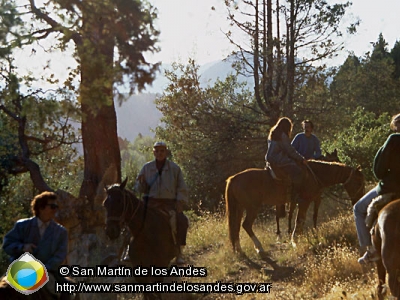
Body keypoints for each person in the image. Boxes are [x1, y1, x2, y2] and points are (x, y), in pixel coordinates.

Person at [2, 191, 69, 298]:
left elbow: (60, 255)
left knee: (68, 292)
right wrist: (22, 247)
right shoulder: (22, 226)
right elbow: (7, 245)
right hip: (20, 270)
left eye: (56, 206)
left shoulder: (61, 232)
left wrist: (41, 269)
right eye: (52, 206)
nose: (55, 209)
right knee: (4, 291)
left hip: (48, 272)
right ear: (41, 208)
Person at [354, 113, 400, 264]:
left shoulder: (393, 140)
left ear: (395, 126)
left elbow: (378, 171)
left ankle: (371, 250)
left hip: (391, 187)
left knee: (359, 208)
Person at [135, 141, 189, 264]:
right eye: (157, 151)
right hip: (150, 203)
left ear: (166, 152)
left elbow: (182, 187)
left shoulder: (175, 169)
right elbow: (138, 188)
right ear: (153, 152)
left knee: (181, 221)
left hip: (168, 203)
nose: (159, 153)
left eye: (162, 151)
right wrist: (141, 183)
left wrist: (180, 202)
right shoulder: (146, 168)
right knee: (135, 220)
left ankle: (179, 252)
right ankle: (129, 248)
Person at [266, 117, 308, 191]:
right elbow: (290, 150)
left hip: (270, 159)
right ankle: (295, 194)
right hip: (279, 160)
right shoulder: (283, 136)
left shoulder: (273, 134)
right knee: (298, 171)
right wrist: (301, 159)